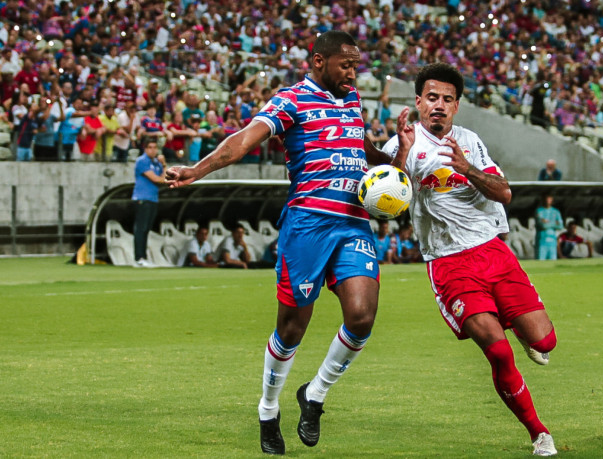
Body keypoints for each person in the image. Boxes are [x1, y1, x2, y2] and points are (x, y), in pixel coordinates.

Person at [165, 31, 391, 455]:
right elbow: (245, 140)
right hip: (307, 225)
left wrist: (391, 161)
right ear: (318, 61)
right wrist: (198, 169)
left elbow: (359, 147)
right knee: (291, 329)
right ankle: (268, 410)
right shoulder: (291, 100)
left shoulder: (353, 100)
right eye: (346, 64)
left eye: (356, 65)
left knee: (361, 317)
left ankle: (315, 395)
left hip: (353, 223)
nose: (353, 72)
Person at [382, 63, 558, 456]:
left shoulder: (469, 141)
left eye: (447, 99)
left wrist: (467, 168)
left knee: (546, 340)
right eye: (432, 98)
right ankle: (538, 433)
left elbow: (504, 193)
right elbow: (387, 205)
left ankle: (514, 321)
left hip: (492, 252)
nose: (439, 105)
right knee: (497, 351)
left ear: (457, 106)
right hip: (449, 262)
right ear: (418, 102)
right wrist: (403, 157)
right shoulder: (403, 144)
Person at [132, 138, 166, 267]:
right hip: (142, 197)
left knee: (146, 229)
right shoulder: (142, 161)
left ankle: (143, 257)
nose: (153, 150)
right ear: (145, 149)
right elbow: (157, 179)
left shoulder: (156, 162)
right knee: (140, 228)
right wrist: (162, 177)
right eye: (150, 147)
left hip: (153, 198)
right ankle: (138, 258)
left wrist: (163, 164)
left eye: (155, 147)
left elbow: (165, 177)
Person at [535, 194, 563, 260]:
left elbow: (560, 226)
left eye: (549, 199)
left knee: (552, 263)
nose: (547, 201)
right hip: (542, 241)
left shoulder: (556, 212)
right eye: (546, 199)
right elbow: (543, 225)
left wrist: (548, 222)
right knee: (540, 263)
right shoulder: (539, 211)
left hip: (552, 241)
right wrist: (554, 222)